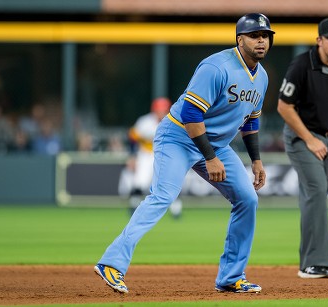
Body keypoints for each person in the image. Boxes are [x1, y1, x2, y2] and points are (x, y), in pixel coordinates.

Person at [94, 13, 273, 294]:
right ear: (240, 39)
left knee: (248, 199)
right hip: (178, 136)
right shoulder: (217, 66)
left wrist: (257, 161)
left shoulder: (261, 77)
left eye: (265, 36)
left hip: (216, 144)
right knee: (163, 195)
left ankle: (231, 276)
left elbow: (250, 121)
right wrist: (210, 157)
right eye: (254, 35)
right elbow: (190, 113)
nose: (261, 40)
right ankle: (112, 263)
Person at [277, 17, 328, 279]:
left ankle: (313, 261)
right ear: (319, 40)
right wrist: (310, 140)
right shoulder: (302, 65)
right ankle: (314, 263)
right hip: (302, 138)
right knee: (316, 190)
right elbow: (284, 106)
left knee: (315, 197)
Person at [120, 97, 183, 218]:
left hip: (166, 154)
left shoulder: (174, 121)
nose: (161, 112)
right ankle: (133, 206)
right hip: (146, 154)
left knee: (170, 182)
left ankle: (176, 210)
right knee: (140, 181)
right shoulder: (145, 122)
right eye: (159, 110)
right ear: (154, 110)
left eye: (163, 109)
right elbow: (132, 139)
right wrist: (132, 156)